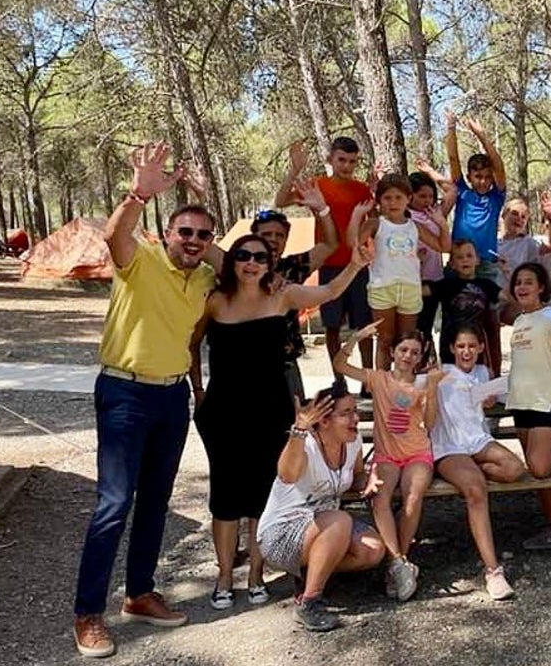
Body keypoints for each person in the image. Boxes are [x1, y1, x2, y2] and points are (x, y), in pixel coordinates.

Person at [73, 142, 219, 659]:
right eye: (186, 231)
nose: (194, 240)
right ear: (166, 233)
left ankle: (138, 594)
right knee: (115, 502)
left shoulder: (203, 273)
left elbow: (241, 264)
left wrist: (205, 208)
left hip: (171, 395)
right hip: (124, 391)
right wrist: (139, 193)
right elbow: (114, 237)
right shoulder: (141, 259)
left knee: (156, 498)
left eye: (202, 234)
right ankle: (89, 613)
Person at [189, 233, 368, 610]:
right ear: (232, 262)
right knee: (225, 497)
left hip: (271, 410)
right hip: (223, 410)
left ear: (269, 264)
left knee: (260, 493)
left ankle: (255, 575)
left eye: (259, 257)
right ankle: (224, 576)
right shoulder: (217, 301)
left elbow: (331, 292)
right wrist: (198, 390)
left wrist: (357, 263)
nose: (251, 263)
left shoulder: (283, 296)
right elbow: (192, 343)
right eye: (243, 256)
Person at [256, 387, 386, 633]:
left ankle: (310, 572)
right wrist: (300, 429)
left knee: (373, 551)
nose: (356, 418)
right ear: (324, 421)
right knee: (340, 521)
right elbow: (287, 474)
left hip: (326, 526)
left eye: (355, 411)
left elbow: (357, 475)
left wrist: (367, 480)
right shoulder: (305, 446)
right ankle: (309, 602)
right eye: (346, 413)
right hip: (282, 532)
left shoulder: (353, 441)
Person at [334, 326, 444, 602]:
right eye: (403, 350)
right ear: (393, 352)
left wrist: (430, 389)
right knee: (379, 499)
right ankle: (398, 563)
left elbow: (430, 424)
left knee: (413, 497)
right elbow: (339, 365)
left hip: (418, 451)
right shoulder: (378, 378)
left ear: (421, 357)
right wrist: (356, 338)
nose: (408, 356)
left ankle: (398, 563)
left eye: (415, 352)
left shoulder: (422, 383)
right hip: (387, 455)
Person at [432, 325, 526, 600]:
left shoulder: (484, 373)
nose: (466, 351)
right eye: (461, 346)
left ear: (481, 348)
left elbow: (491, 400)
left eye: (472, 346)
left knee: (514, 469)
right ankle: (493, 570)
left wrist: (491, 400)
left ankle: (472, 473)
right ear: (451, 349)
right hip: (449, 446)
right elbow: (405, 395)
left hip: (477, 441)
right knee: (475, 491)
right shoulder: (441, 374)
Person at [275, 137, 376, 388]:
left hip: (358, 265)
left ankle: (367, 379)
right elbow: (280, 200)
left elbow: (373, 223)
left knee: (364, 325)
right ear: (330, 159)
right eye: (342, 160)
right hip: (329, 264)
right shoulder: (317, 185)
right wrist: (294, 170)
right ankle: (338, 378)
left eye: (352, 161)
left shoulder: (362, 190)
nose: (347, 166)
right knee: (332, 326)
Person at [506, 262, 551, 550]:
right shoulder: (520, 321)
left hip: (544, 402)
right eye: (518, 283)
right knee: (539, 474)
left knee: (539, 468)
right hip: (519, 403)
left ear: (541, 288)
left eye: (528, 282)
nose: (521, 287)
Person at [250, 180, 339, 400]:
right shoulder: (236, 267)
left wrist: (322, 209)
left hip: (286, 366)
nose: (273, 240)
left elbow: (330, 245)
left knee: (294, 430)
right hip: (245, 370)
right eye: (266, 235)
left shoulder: (292, 268)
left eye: (279, 236)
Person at [351, 173, 451, 370]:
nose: (393, 202)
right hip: (383, 287)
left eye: (398, 197)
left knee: (406, 341)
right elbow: (352, 243)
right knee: (385, 340)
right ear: (379, 201)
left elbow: (443, 246)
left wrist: (442, 224)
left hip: (410, 288)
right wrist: (356, 217)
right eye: (387, 198)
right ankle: (382, 390)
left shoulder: (415, 226)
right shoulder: (375, 223)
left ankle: (404, 387)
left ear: (408, 199)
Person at [446, 111, 508, 369]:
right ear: (470, 178)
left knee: (489, 321)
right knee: (456, 320)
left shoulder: (496, 197)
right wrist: (451, 128)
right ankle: (454, 371)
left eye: (486, 177)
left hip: (486, 265)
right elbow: (452, 158)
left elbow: (499, 165)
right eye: (477, 177)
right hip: (458, 263)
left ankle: (492, 376)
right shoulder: (462, 192)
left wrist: (481, 134)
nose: (482, 182)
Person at [428, 240, 501, 373]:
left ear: (478, 260)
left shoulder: (486, 285)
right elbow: (422, 290)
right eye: (459, 257)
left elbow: (508, 296)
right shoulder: (445, 285)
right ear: (452, 264)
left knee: (478, 383)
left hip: (477, 345)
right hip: (451, 345)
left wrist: (507, 273)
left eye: (469, 256)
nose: (465, 260)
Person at [407, 169, 457, 363]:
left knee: (427, 327)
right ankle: (412, 370)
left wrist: (429, 171)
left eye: (430, 196)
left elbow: (452, 191)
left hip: (435, 278)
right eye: (422, 196)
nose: (427, 200)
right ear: (410, 196)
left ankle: (429, 367)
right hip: (413, 281)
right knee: (415, 329)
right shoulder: (405, 215)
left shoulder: (435, 212)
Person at [497, 197, 542, 324]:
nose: (519, 219)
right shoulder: (491, 241)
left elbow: (535, 275)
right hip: (491, 299)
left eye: (524, 217)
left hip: (515, 300)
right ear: (504, 214)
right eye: (515, 214)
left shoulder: (529, 244)